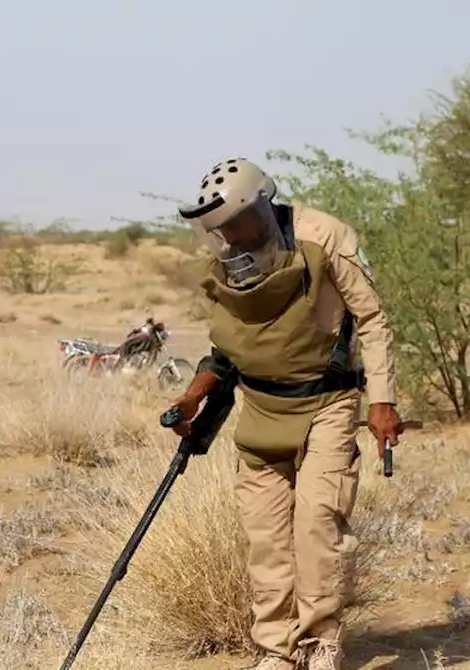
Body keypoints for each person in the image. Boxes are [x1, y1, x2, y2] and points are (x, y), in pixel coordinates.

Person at [164, 158, 404, 670]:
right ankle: (277, 650)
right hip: (260, 408)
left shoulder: (324, 236)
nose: (226, 237)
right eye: (216, 229)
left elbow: (373, 318)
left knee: (318, 524)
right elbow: (227, 349)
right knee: (267, 537)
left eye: (233, 223)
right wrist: (194, 395)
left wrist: (383, 400)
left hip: (327, 402)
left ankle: (321, 643)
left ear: (261, 206)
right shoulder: (231, 258)